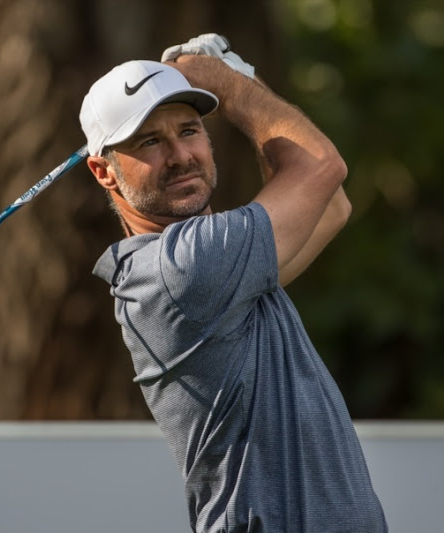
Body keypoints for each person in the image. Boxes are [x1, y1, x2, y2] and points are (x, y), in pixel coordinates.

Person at [79, 35, 387, 532]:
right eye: (150, 141)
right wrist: (232, 84)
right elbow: (321, 166)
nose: (180, 155)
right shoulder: (183, 270)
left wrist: (243, 81)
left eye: (190, 130)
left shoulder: (222, 273)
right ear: (103, 171)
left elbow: (330, 206)